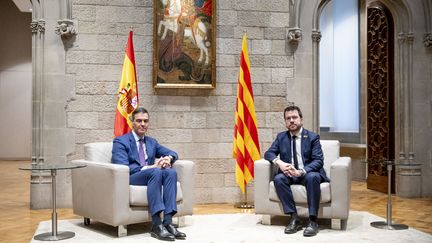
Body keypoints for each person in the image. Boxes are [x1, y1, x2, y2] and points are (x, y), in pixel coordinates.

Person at [112, 107, 186, 241]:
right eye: (139, 121)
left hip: (152, 175)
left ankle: (168, 222)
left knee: (170, 172)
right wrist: (151, 167)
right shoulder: (121, 141)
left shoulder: (151, 142)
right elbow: (123, 167)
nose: (143, 124)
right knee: (156, 171)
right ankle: (156, 224)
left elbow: (173, 153)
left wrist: (168, 159)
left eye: (145, 121)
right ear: (132, 122)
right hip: (132, 177)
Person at [264, 105, 329, 237]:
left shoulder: (312, 137)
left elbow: (318, 161)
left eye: (294, 117)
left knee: (313, 177)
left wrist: (302, 171)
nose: (292, 120)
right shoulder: (281, 137)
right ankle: (294, 218)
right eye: (288, 118)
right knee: (278, 179)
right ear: (285, 122)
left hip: (307, 173)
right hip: (289, 174)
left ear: (301, 120)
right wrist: (280, 163)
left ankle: (312, 221)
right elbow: (269, 153)